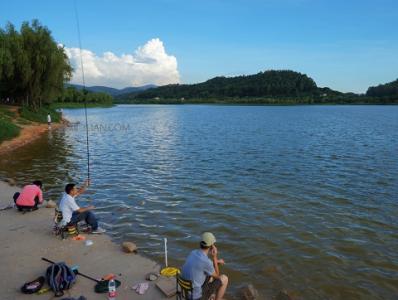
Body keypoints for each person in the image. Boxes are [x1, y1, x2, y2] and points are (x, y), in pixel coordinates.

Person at [181, 232, 228, 300]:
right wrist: (215, 257)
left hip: (186, 291)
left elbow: (202, 264)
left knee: (209, 275)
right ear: (211, 246)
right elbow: (217, 276)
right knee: (224, 278)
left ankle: (209, 294)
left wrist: (217, 262)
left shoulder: (193, 252)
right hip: (197, 297)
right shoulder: (206, 262)